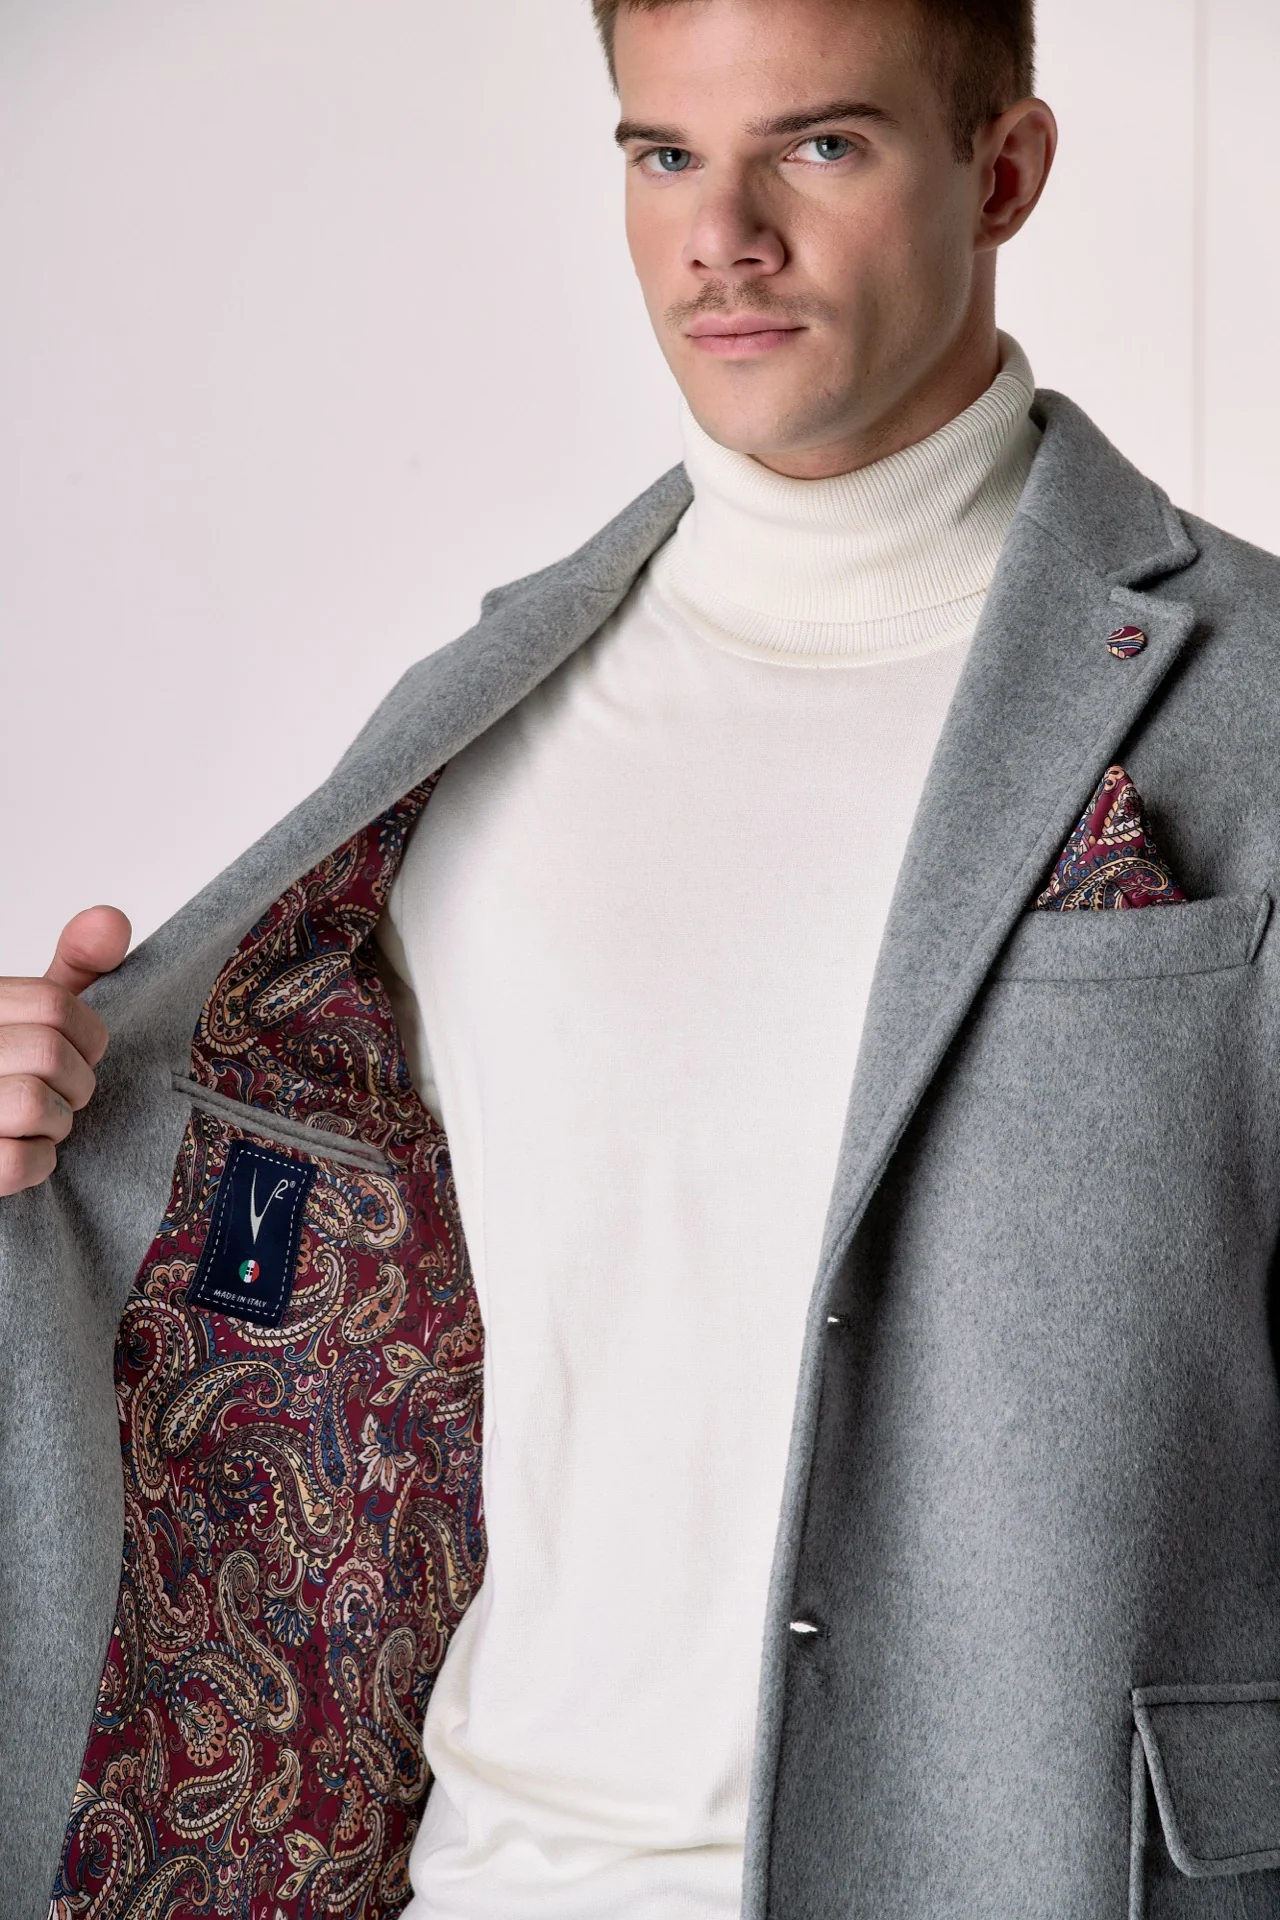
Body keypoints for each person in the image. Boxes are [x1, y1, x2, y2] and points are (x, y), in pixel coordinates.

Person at [5, 0, 1280, 1914]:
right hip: (493, 1880)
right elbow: (277, 1326)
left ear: (1004, 173)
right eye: (665, 154)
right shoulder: (473, 733)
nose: (722, 237)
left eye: (821, 146)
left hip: (1044, 1871)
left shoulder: (1251, 705)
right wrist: (42, 1148)